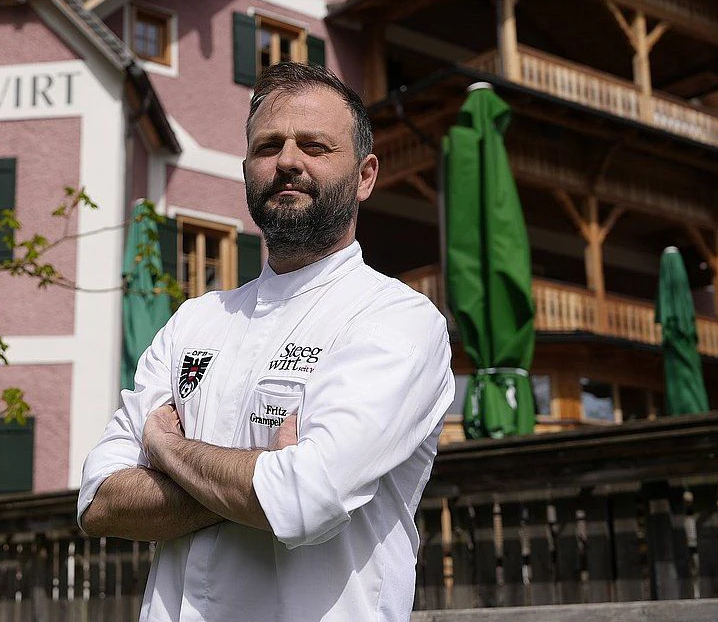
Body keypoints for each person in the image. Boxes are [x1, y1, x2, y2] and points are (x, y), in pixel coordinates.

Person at [77, 62, 455, 622]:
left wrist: (165, 449)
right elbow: (99, 502)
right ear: (248, 169)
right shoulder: (193, 321)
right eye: (268, 146)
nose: (288, 162)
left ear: (365, 176)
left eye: (315, 146)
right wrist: (259, 481)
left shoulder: (396, 320)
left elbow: (304, 501)